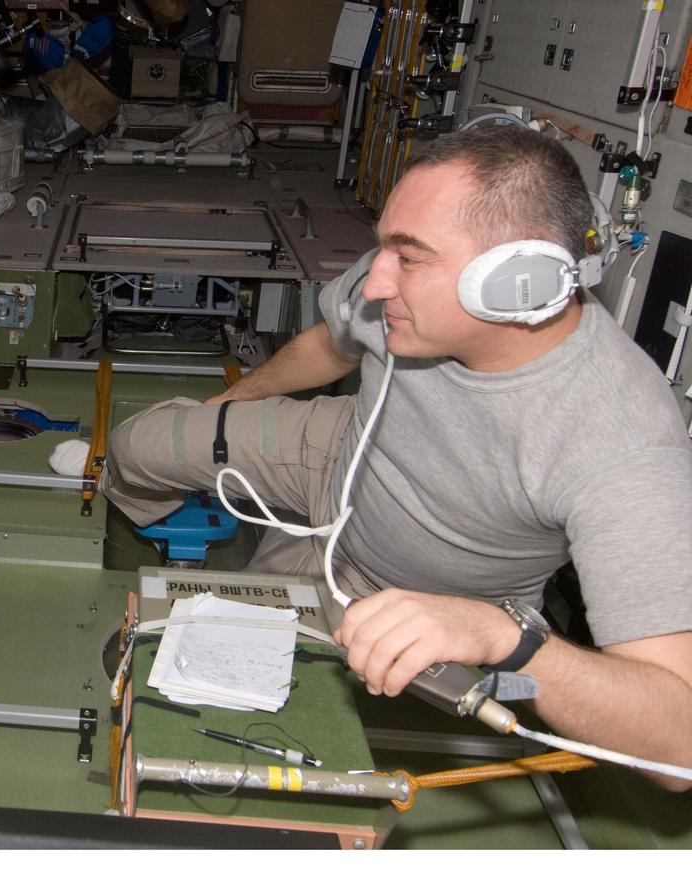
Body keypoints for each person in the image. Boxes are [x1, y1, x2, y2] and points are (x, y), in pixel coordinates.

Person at [99, 125, 692, 790]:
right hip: (341, 455)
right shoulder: (396, 292)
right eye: (385, 245)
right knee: (134, 447)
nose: (376, 279)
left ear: (515, 285)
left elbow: (680, 749)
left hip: (418, 596)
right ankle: (214, 531)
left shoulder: (622, 441)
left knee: (253, 713)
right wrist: (231, 406)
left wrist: (501, 636)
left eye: (409, 257)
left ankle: (292, 570)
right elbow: (332, 345)